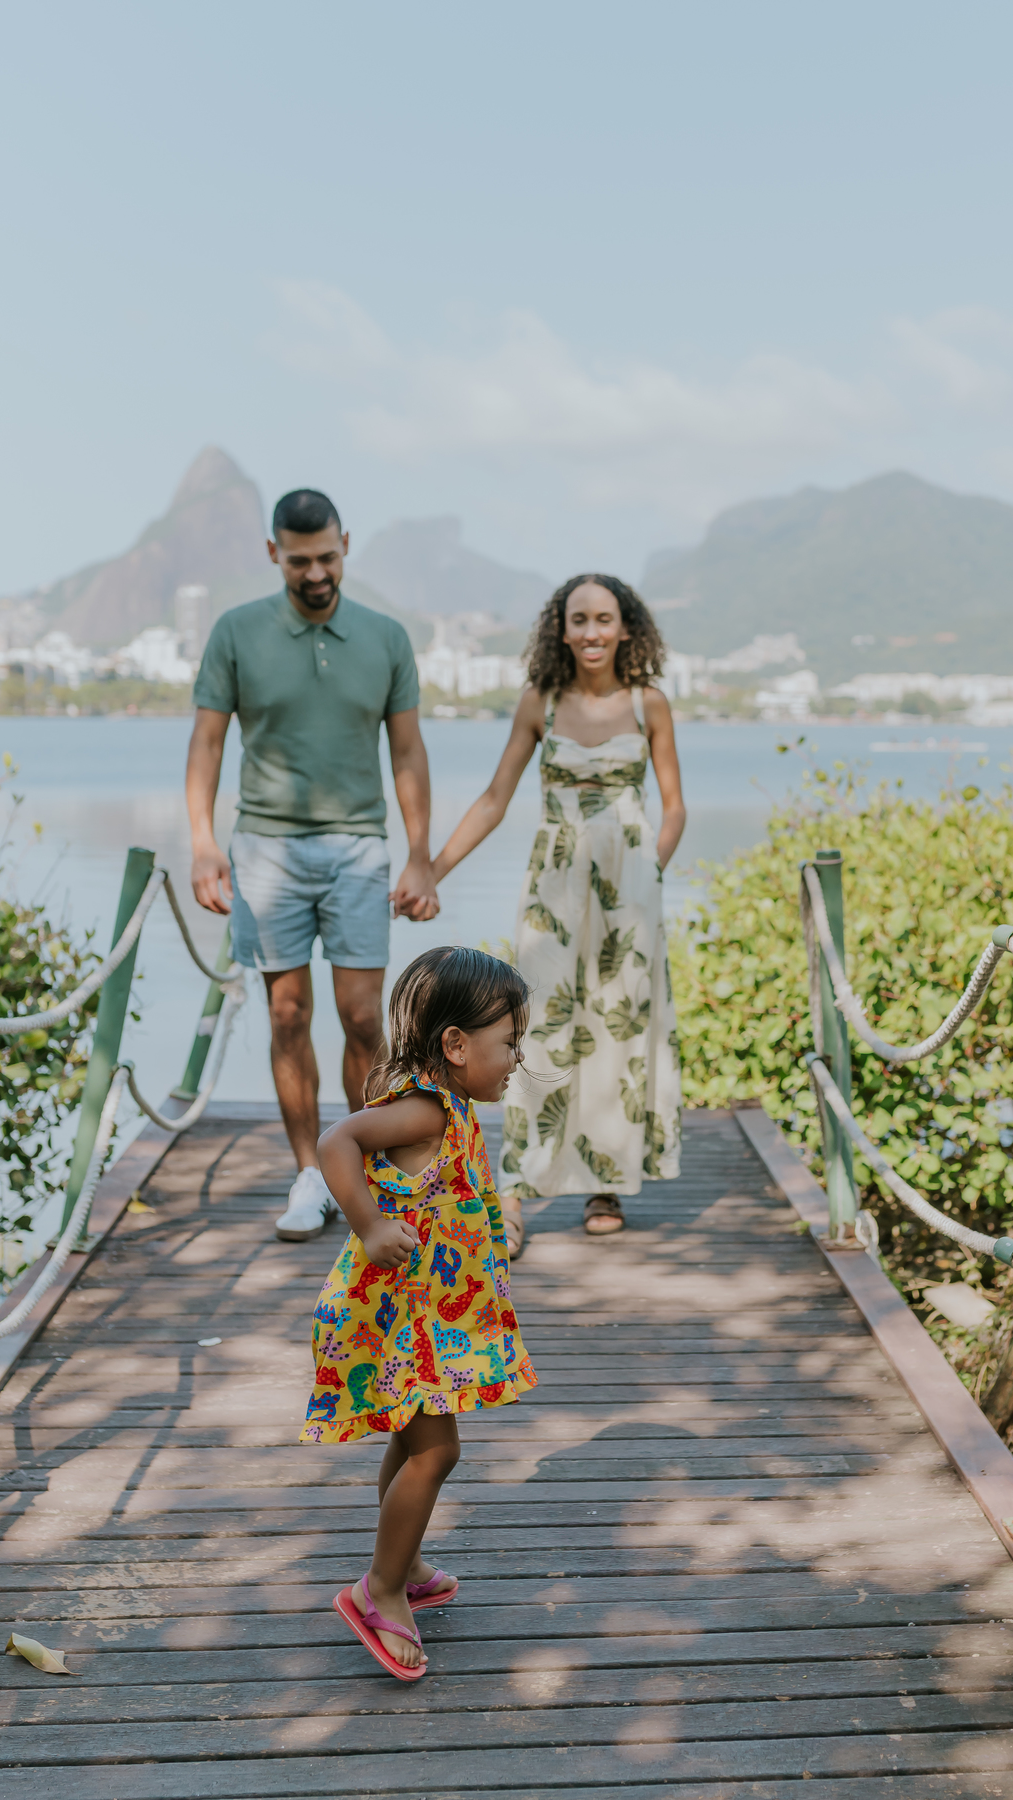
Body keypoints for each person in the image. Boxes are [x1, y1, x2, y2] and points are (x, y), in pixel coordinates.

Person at [187, 488, 439, 1244]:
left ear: (345, 545)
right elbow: (206, 745)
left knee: (364, 1016)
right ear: (274, 555)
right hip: (266, 847)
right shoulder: (236, 632)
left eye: (327, 556)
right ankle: (308, 1172)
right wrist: (203, 845)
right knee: (287, 1012)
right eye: (299, 560)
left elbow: (407, 751)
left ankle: (360, 1170)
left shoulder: (387, 638)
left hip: (360, 847)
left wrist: (421, 854)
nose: (316, 572)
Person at [430, 574, 685, 1253]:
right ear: (561, 629)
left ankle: (606, 1181)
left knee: (618, 1030)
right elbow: (493, 799)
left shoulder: (649, 703)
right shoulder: (537, 703)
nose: (593, 631)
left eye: (605, 619)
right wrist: (431, 869)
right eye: (580, 619)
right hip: (554, 886)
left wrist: (652, 868)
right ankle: (513, 1192)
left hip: (630, 892)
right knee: (532, 1025)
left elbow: (674, 804)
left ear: (626, 627)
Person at [304, 946, 537, 1680]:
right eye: (507, 1044)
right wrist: (369, 1224)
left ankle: (397, 1565)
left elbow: (451, 1192)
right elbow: (334, 1140)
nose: (516, 1059)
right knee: (439, 1452)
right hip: (402, 1316)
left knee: (412, 1444)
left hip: (430, 1313)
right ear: (456, 1045)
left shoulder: (455, 1106)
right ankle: (377, 1590)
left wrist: (495, 1224)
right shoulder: (420, 1108)